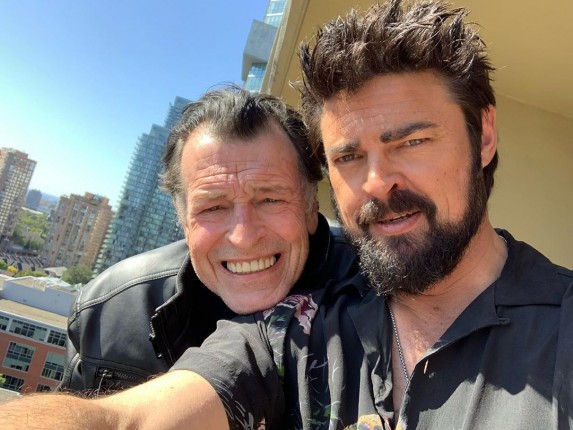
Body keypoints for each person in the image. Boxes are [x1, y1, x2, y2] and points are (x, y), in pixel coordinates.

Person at [1, 1, 572, 429]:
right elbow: (122, 420)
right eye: (348, 156)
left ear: (484, 135)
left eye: (412, 141)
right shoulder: (296, 327)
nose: (377, 183)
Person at [57, 86, 359, 393]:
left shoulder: (376, 294)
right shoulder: (104, 315)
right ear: (182, 219)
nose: (243, 237)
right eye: (213, 208)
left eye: (270, 199)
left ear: (310, 206)